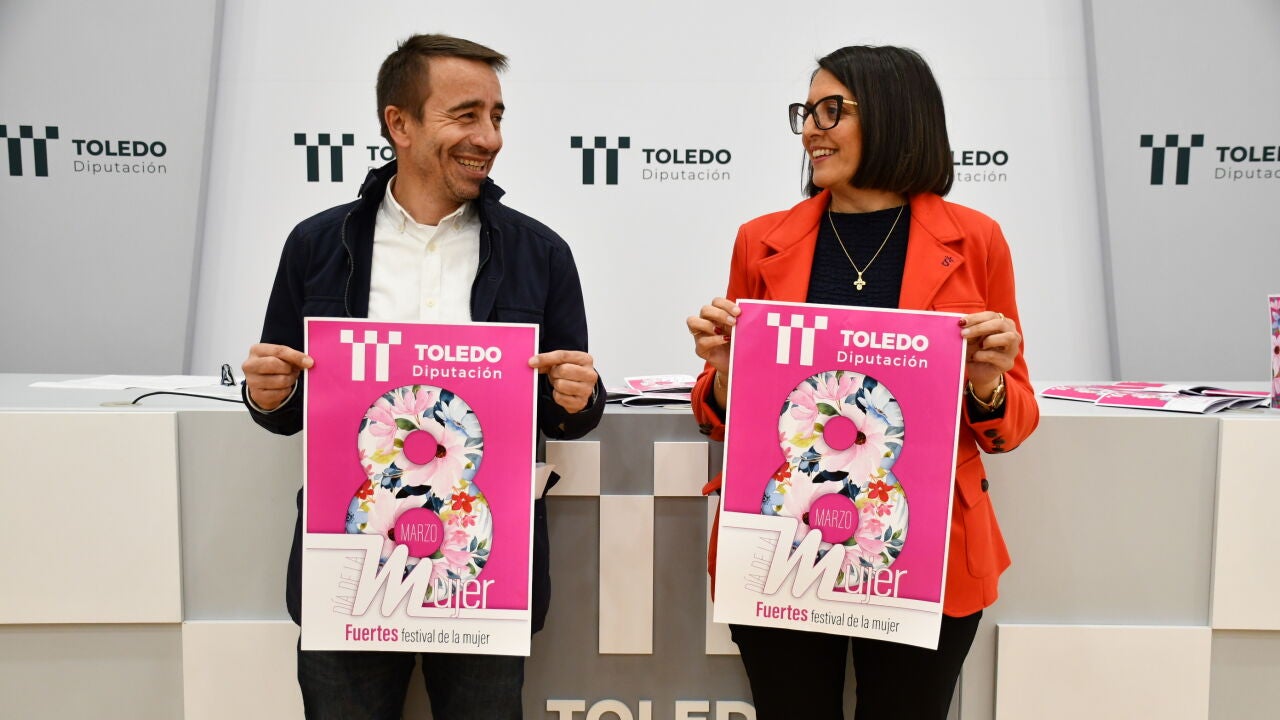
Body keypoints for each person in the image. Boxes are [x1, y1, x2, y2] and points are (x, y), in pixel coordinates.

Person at [241, 33, 605, 720]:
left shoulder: (540, 253)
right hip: (348, 560)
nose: (489, 137)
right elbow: (284, 407)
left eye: (496, 116)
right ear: (400, 124)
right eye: (466, 115)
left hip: (484, 570)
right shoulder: (317, 246)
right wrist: (268, 392)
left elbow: (569, 411)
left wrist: (578, 396)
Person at [686, 45, 1038, 720]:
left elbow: (1013, 423)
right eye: (806, 112)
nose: (810, 130)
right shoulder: (761, 241)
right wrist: (727, 375)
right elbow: (719, 416)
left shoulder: (976, 240)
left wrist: (986, 385)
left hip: (927, 549)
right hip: (783, 542)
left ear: (895, 116)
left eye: (831, 111)